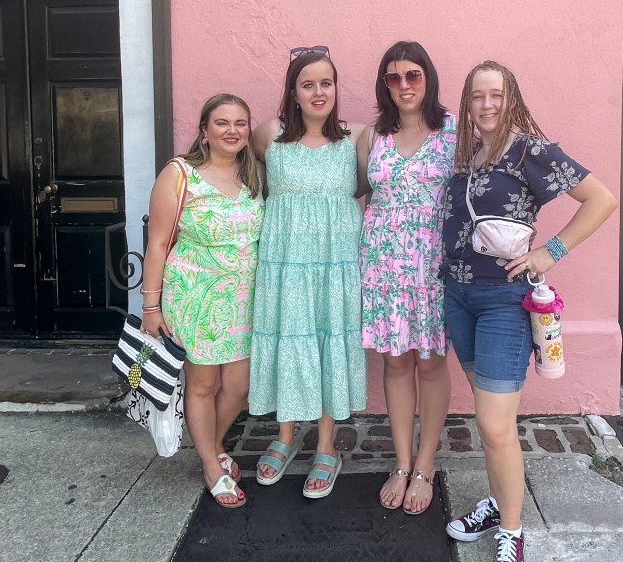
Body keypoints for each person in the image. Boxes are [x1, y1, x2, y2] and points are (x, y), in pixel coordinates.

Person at [441, 61, 618, 562]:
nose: (487, 104)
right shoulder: (468, 154)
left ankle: (512, 533)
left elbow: (601, 199)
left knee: (496, 425)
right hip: (459, 298)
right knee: (487, 420)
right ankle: (499, 503)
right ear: (467, 103)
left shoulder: (530, 151)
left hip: (504, 301)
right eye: (478, 96)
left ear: (511, 98)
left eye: (496, 94)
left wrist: (550, 253)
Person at [248, 46, 368, 499]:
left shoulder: (356, 137)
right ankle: (285, 435)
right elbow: (249, 178)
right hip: (285, 264)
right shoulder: (269, 135)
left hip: (336, 263)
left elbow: (364, 186)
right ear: (293, 92)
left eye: (326, 83)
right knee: (288, 337)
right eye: (308, 84)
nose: (319, 92)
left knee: (328, 337)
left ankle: (325, 445)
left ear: (336, 88)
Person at [140, 93, 264, 509]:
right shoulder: (180, 174)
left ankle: (211, 444)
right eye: (222, 122)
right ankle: (212, 465)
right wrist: (151, 307)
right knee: (203, 385)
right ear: (204, 131)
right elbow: (158, 243)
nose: (232, 130)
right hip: (195, 296)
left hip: (243, 299)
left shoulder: (253, 175)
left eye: (240, 123)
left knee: (239, 387)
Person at [357, 40, 455, 515]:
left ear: (428, 77)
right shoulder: (373, 136)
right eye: (393, 77)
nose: (404, 85)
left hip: (433, 265)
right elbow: (358, 192)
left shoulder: (454, 132)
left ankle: (425, 464)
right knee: (395, 363)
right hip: (383, 265)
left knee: (431, 363)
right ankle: (400, 462)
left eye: (412, 74)